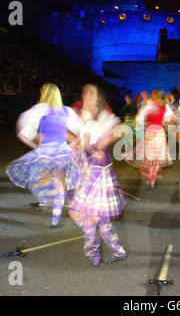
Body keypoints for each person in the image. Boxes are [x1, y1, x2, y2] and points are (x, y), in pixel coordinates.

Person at [6, 83, 81, 227]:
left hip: (46, 152)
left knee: (41, 179)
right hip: (62, 152)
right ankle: (55, 218)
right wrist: (72, 145)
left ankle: (47, 203)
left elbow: (23, 134)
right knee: (59, 182)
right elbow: (80, 131)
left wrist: (36, 146)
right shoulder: (66, 111)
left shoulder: (40, 110)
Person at [69, 84, 127, 266]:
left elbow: (121, 130)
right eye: (85, 93)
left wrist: (102, 144)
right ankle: (115, 249)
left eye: (92, 94)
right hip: (83, 169)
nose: (87, 96)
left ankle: (94, 248)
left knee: (90, 214)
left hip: (99, 171)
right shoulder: (78, 115)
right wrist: (76, 142)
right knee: (85, 215)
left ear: (98, 98)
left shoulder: (104, 116)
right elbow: (66, 130)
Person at [136, 89, 176, 190]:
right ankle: (151, 179)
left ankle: (150, 178)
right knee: (156, 158)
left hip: (150, 132)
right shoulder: (164, 106)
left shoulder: (149, 105)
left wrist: (142, 126)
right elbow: (173, 118)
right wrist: (166, 123)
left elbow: (139, 119)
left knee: (147, 157)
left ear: (154, 95)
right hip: (159, 133)